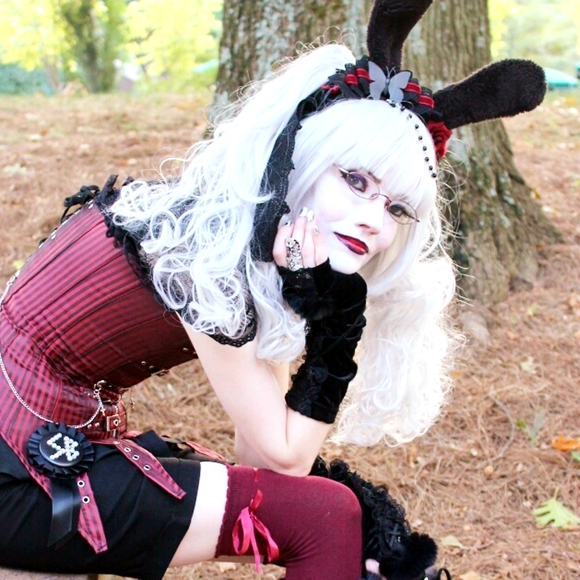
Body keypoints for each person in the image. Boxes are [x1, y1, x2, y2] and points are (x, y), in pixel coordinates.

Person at [0, 1, 546, 579]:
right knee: (328, 518)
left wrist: (303, 295)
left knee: (340, 514)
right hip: (20, 469)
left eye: (394, 208)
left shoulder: (238, 238)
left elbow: (261, 455)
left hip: (48, 442)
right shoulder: (206, 261)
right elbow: (285, 461)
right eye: (355, 180)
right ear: (302, 158)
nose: (372, 219)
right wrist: (338, 324)